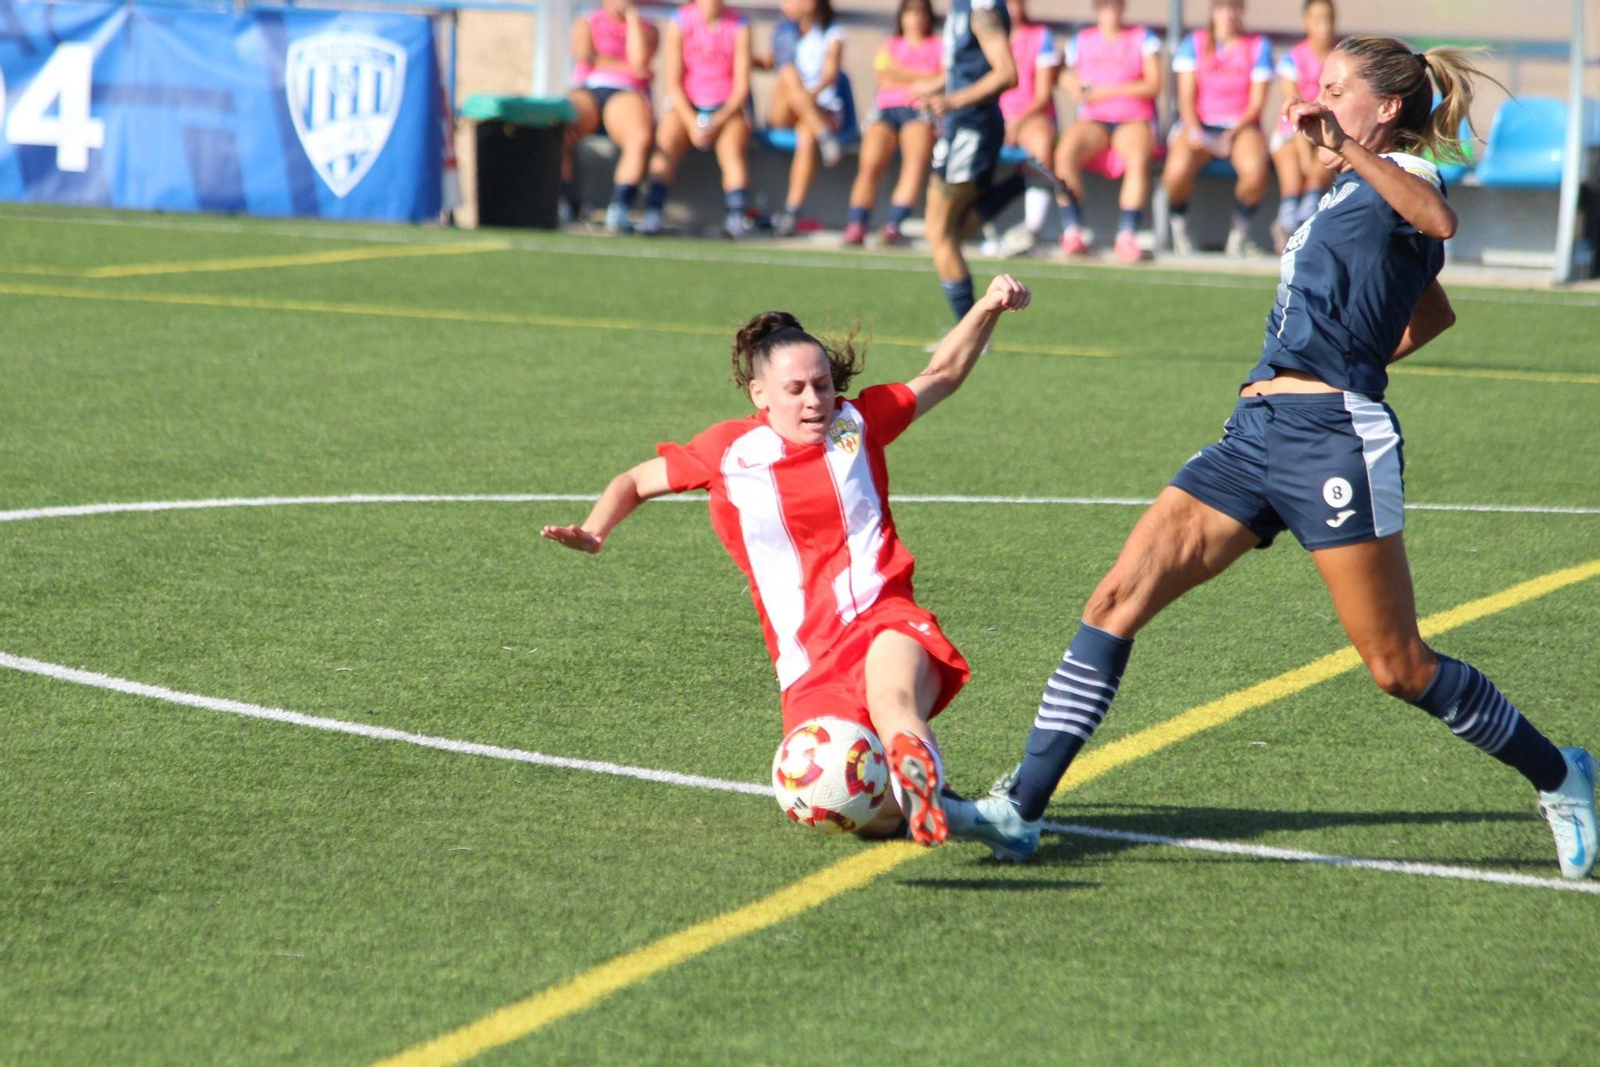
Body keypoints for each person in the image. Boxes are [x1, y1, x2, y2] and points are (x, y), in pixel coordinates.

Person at [968, 36, 1598, 877]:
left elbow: (1438, 222)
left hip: (1333, 440)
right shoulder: (1349, 194)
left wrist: (1346, 365)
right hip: (1252, 433)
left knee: (1397, 665)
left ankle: (1562, 774)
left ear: (1387, 111)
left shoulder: (1412, 179)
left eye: (1338, 90)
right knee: (1117, 596)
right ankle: (1020, 809)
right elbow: (1429, 310)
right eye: (1320, 86)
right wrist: (1351, 339)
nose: (1318, 99)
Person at [543, 275, 1035, 849]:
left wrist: (987, 306)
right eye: (796, 388)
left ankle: (916, 774)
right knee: (853, 805)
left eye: (823, 385)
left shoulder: (859, 421)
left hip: (883, 617)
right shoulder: (727, 452)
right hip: (807, 659)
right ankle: (956, 810)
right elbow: (635, 480)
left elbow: (943, 373)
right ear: (760, 395)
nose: (814, 401)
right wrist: (596, 530)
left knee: (893, 702)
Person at [912, 0, 1016, 323]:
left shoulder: (982, 10)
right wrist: (929, 90)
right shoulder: (960, 7)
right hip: (960, 128)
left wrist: (952, 100)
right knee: (947, 234)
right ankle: (1020, 181)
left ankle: (968, 332)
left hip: (973, 128)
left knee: (939, 232)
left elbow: (1007, 73)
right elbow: (962, 68)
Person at [1163, 0, 1274, 256]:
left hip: (1240, 127)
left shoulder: (1258, 46)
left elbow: (1256, 103)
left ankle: (1239, 232)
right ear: (1213, 11)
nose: (1228, 14)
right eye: (1222, 7)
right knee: (1175, 172)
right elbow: (1186, 99)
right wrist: (1197, 131)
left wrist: (1231, 133)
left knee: (1256, 172)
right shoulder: (1194, 43)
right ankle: (1180, 227)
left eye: (1234, 7)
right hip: (1200, 124)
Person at [1053, 0, 1162, 262]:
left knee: (1136, 155)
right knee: (1065, 151)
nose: (1110, 10)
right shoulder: (1081, 40)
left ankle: (1127, 235)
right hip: (1095, 120)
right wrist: (1072, 86)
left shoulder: (1142, 38)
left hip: (1133, 118)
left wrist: (1107, 91)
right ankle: (1073, 230)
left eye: (1114, 4)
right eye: (1104, 5)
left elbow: (1153, 84)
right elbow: (1060, 72)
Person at [640, 0, 753, 238]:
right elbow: (673, 82)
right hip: (686, 105)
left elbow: (741, 88)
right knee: (666, 143)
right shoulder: (680, 21)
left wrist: (718, 119)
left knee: (732, 151)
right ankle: (653, 211)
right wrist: (692, 122)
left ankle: (736, 216)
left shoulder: (740, 26)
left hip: (726, 108)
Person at [843, 0, 943, 247]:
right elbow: (885, 78)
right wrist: (920, 77)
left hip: (919, 111)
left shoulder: (940, 46)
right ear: (902, 17)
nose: (916, 19)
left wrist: (904, 74)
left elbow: (943, 78)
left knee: (915, 162)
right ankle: (857, 223)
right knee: (870, 163)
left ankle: (893, 225)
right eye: (911, 13)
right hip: (886, 110)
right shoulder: (889, 45)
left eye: (922, 13)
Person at [563, 0, 660, 233]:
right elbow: (585, 55)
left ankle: (620, 207)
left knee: (639, 136)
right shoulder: (588, 21)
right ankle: (563, 201)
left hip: (626, 92)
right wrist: (624, 66)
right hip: (589, 88)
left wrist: (633, 20)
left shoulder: (648, 28)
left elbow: (639, 62)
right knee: (560, 122)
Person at [980, 0, 1060, 256]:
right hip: (990, 114)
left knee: (1041, 143)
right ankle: (981, 226)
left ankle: (1030, 232)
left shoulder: (1041, 36)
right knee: (974, 144)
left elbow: (1043, 93)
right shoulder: (983, 34)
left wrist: (1018, 121)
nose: (1012, 6)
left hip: (1029, 116)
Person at [765, 0, 848, 236]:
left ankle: (792, 211)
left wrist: (808, 96)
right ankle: (825, 135)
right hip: (788, 110)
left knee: (806, 134)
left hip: (819, 106)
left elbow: (830, 74)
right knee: (787, 74)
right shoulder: (784, 32)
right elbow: (770, 62)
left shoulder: (832, 33)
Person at [1271, 0, 1338, 250]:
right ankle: (1287, 222)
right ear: (1306, 23)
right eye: (1318, 20)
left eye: (1329, 20)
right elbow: (1294, 110)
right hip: (1293, 133)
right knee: (1292, 174)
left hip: (1326, 134)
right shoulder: (1293, 58)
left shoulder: (1341, 60)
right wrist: (1304, 153)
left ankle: (1304, 224)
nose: (1324, 27)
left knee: (1322, 164)